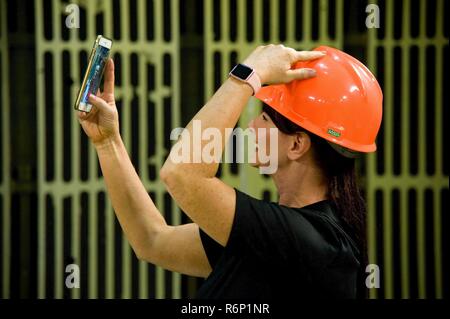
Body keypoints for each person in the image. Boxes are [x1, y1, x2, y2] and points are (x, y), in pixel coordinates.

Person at [78, 44, 382, 299]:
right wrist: (108, 142)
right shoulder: (279, 235)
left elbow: (182, 173)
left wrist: (249, 74)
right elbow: (153, 241)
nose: (250, 127)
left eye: (264, 117)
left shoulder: (312, 244)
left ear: (297, 144)